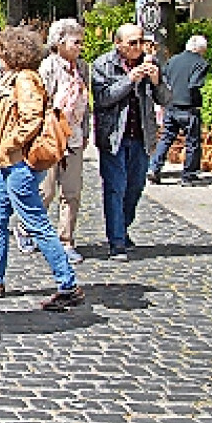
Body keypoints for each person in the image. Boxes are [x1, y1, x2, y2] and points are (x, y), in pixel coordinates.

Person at [0, 27, 85, 311]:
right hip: (11, 163)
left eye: (1, 51)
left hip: (20, 163)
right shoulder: (15, 78)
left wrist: (8, 144)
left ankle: (68, 284)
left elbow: (30, 120)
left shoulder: (25, 80)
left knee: (36, 223)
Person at [92, 23, 172, 260]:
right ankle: (116, 241)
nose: (138, 47)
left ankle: (122, 228)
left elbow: (166, 98)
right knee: (115, 188)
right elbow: (103, 98)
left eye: (141, 42)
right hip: (114, 136)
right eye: (132, 43)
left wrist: (157, 81)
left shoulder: (151, 63)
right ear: (118, 44)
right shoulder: (103, 64)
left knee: (135, 187)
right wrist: (129, 80)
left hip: (141, 136)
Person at [13, 19, 89, 264]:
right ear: (60, 42)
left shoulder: (82, 68)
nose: (80, 46)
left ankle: (66, 240)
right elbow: (39, 103)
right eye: (75, 41)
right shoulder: (48, 67)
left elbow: (85, 104)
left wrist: (85, 131)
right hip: (50, 137)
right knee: (45, 190)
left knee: (72, 192)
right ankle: (26, 228)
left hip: (74, 136)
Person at [147, 35, 209, 186]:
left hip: (171, 105)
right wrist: (195, 100)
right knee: (192, 142)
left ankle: (154, 168)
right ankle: (188, 175)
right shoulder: (201, 63)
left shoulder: (174, 60)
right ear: (201, 49)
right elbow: (195, 84)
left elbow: (164, 79)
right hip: (188, 107)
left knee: (166, 137)